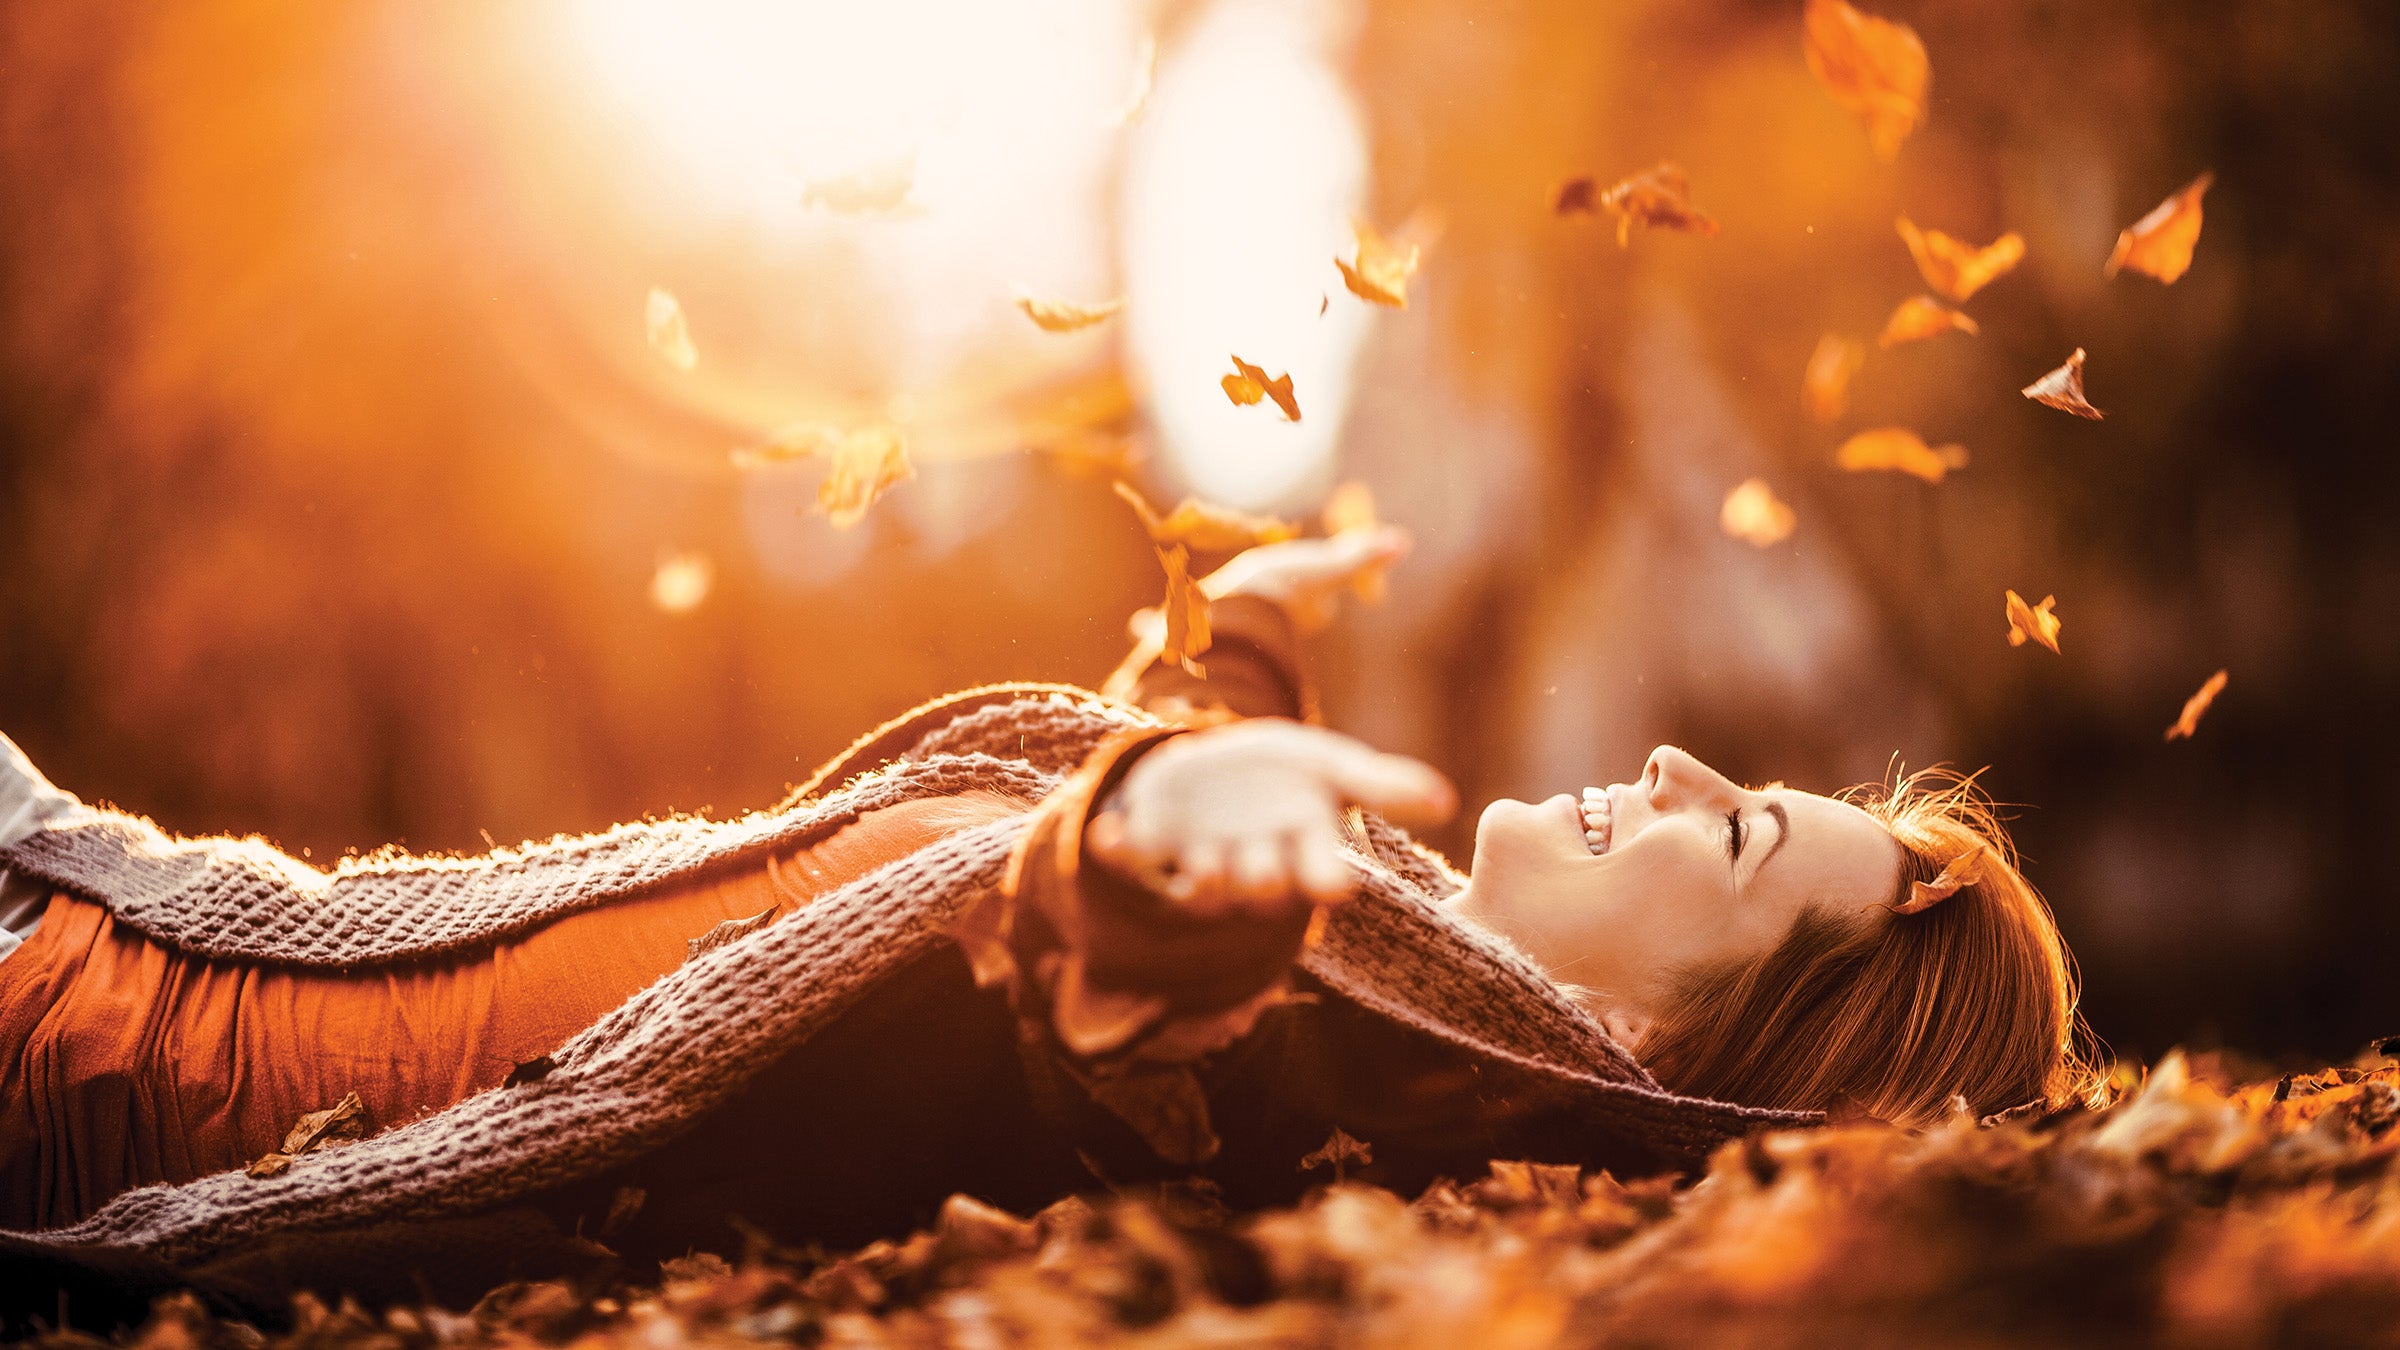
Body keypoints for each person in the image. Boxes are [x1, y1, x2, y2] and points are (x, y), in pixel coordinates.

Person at [0, 526, 2094, 1325]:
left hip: (91, 1048)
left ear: (1653, 1062)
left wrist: (1157, 869)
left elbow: (1108, 1001)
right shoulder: (1374, 958)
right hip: (129, 912)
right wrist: (1245, 674)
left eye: (1737, 850)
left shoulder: (1311, 1002)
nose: (1683, 777)